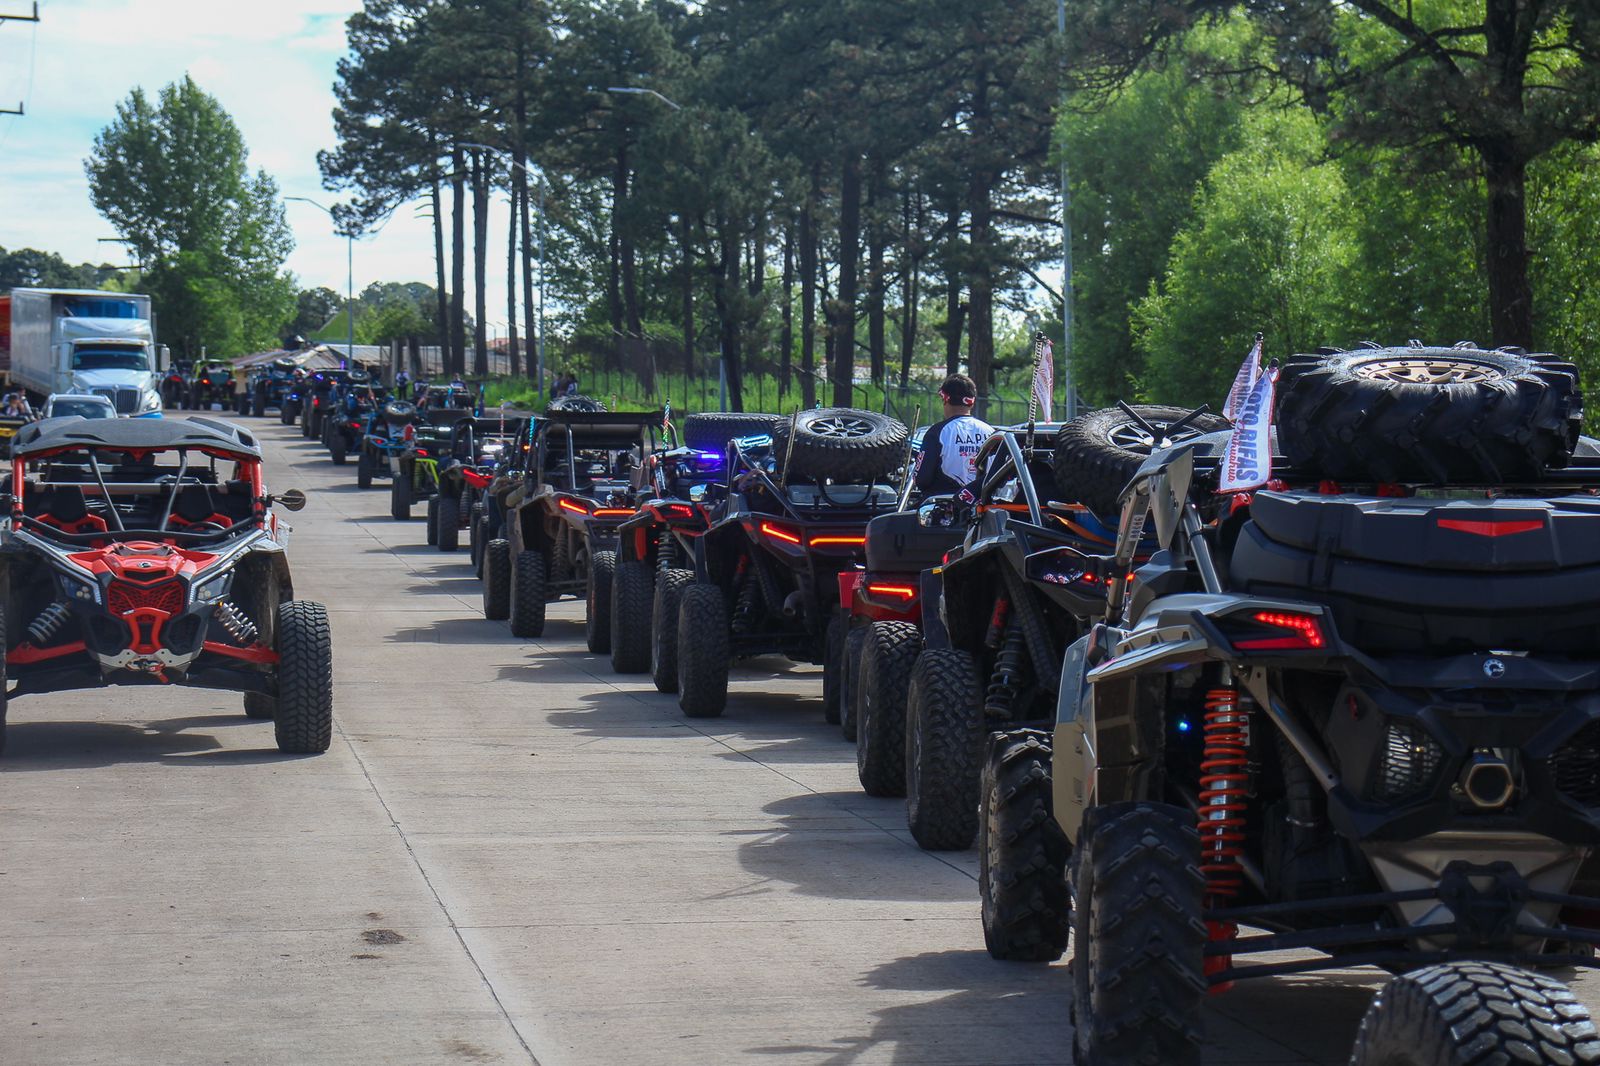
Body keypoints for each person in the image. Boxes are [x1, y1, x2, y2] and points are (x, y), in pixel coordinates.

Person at [914, 373, 994, 494]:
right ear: (972, 402)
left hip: (944, 505)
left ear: (945, 399)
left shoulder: (937, 432)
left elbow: (922, 479)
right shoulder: (991, 433)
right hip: (984, 505)